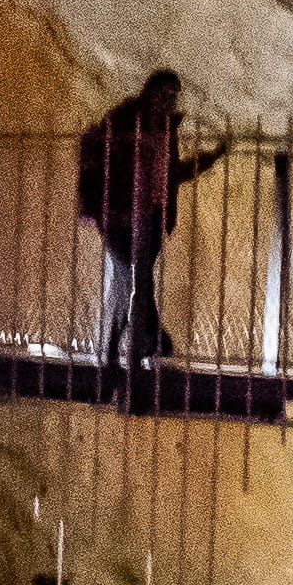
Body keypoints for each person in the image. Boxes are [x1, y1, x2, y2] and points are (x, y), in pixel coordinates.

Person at [79, 66, 196, 372]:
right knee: (135, 281)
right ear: (149, 92)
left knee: (132, 282)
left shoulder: (167, 129)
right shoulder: (124, 119)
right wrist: (102, 207)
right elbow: (101, 161)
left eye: (174, 94)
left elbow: (170, 173)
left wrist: (205, 161)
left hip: (153, 215)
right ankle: (144, 341)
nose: (169, 99)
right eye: (164, 93)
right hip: (122, 214)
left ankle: (123, 348)